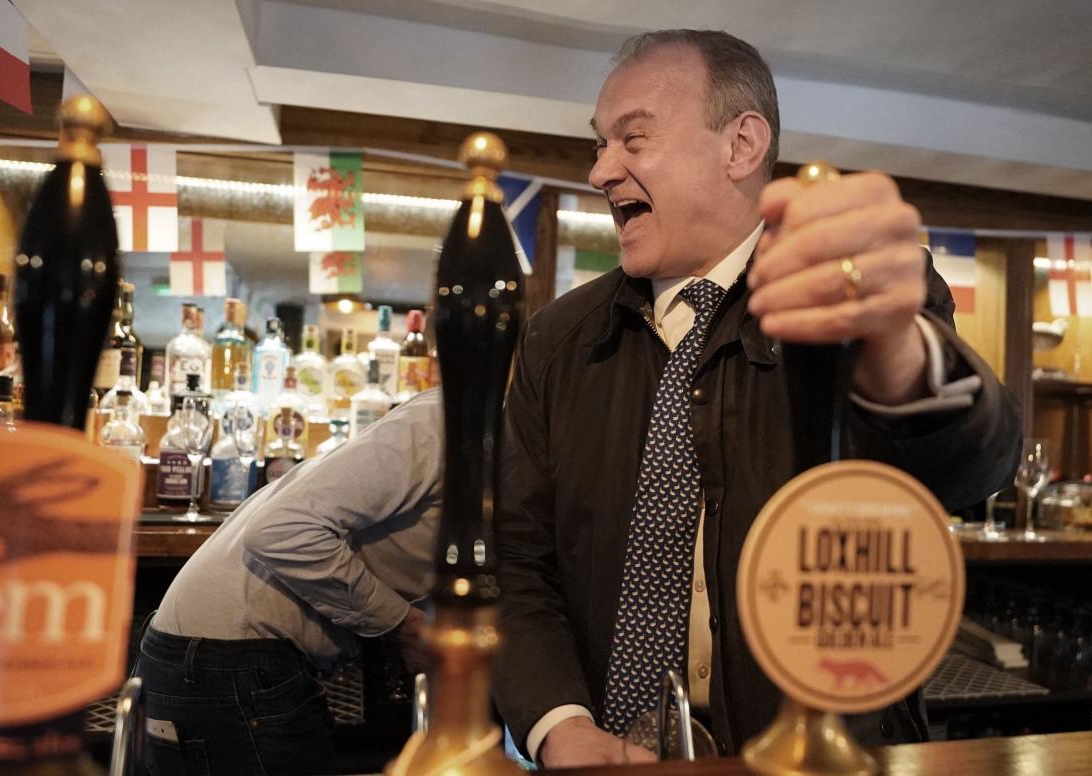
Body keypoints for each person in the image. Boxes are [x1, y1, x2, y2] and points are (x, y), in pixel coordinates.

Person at [491, 29, 1021, 768]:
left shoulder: (850, 300)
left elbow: (975, 471)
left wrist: (894, 350)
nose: (600, 170)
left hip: (817, 754)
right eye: (599, 144)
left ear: (740, 146)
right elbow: (517, 565)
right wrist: (558, 726)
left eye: (631, 139)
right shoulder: (557, 338)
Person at [136, 389, 442, 776]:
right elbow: (280, 531)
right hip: (226, 662)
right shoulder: (453, 419)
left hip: (209, 656)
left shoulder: (457, 418)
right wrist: (404, 624)